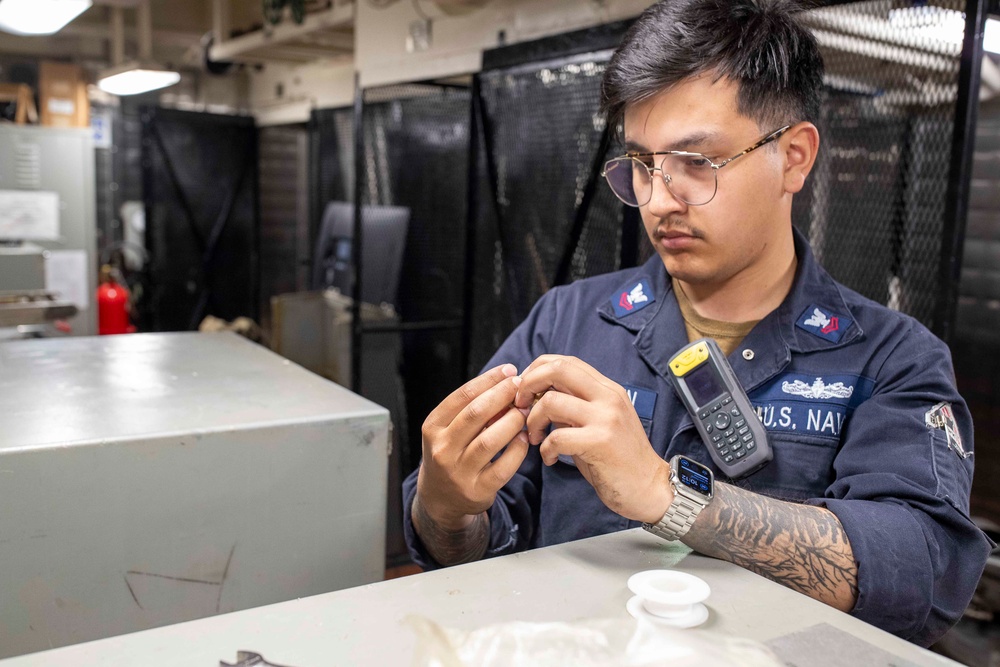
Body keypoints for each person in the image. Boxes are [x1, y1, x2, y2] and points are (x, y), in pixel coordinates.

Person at [402, 0, 992, 647]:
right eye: (643, 165)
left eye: (697, 163)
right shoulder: (567, 322)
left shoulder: (889, 358)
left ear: (794, 156)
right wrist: (444, 505)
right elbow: (469, 538)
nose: (659, 199)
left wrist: (667, 492)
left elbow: (923, 568)